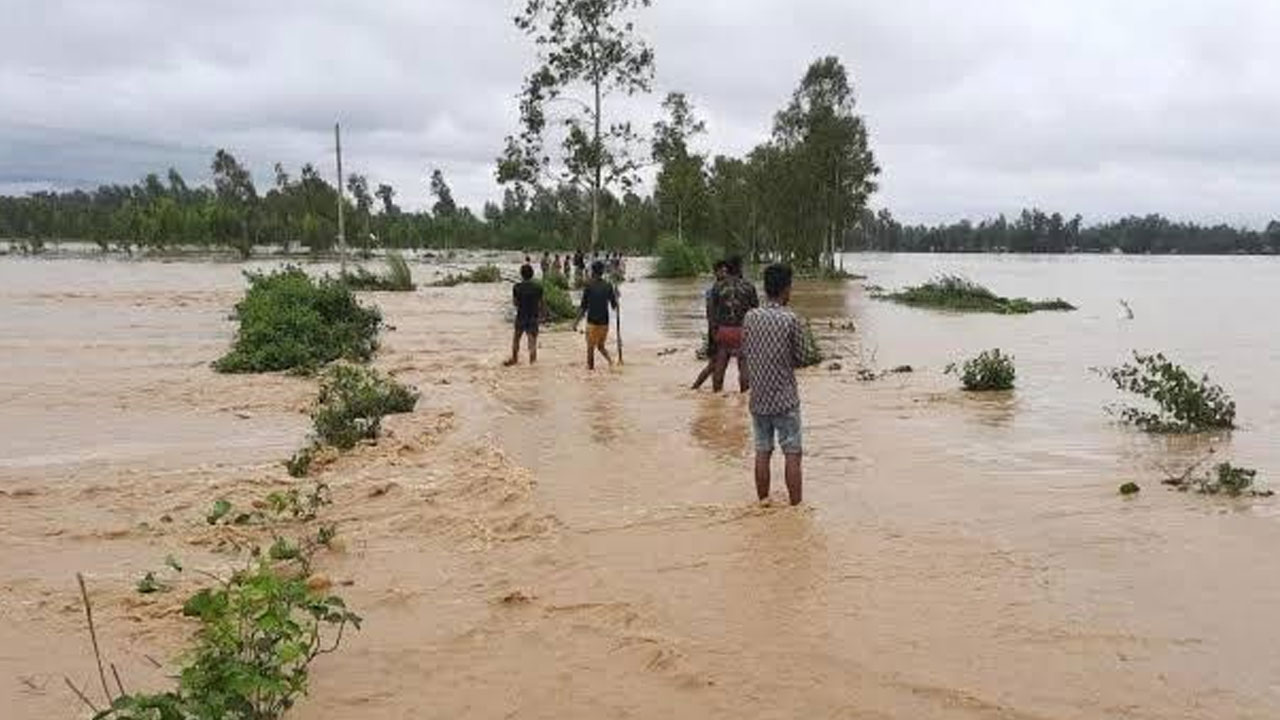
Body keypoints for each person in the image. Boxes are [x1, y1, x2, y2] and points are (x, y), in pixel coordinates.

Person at [741, 263, 804, 505]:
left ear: (766, 288)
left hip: (759, 400)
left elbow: (745, 352)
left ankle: (763, 503)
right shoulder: (790, 319)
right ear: (786, 289)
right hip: (786, 400)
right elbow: (803, 357)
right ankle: (796, 509)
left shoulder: (750, 317)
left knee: (762, 451)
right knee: (792, 453)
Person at [708, 255, 759, 393]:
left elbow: (712, 313)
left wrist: (713, 334)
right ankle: (744, 396)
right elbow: (755, 312)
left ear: (727, 269)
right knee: (743, 366)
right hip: (743, 331)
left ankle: (716, 396)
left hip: (723, 330)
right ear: (740, 268)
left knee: (720, 365)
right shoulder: (749, 286)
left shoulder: (717, 287)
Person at [572, 260, 619, 370]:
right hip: (604, 323)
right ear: (602, 271)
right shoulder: (608, 286)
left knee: (590, 348)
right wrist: (616, 297)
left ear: (592, 271)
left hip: (592, 322)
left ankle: (590, 371)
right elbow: (614, 306)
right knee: (601, 346)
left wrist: (575, 323)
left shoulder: (589, 286)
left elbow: (583, 308)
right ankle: (611, 362)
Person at [691, 260, 729, 390]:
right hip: (715, 330)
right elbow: (710, 313)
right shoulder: (713, 291)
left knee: (716, 364)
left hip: (720, 330)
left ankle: (713, 392)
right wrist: (714, 332)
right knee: (714, 364)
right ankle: (698, 388)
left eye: (726, 271)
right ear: (716, 273)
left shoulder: (724, 289)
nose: (724, 274)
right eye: (722, 271)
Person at [505, 263, 544, 366]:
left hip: (521, 317)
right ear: (532, 274)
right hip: (533, 318)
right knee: (532, 343)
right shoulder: (538, 287)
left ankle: (514, 359)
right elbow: (540, 304)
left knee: (516, 339)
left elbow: (515, 303)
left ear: (521, 274)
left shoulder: (516, 287)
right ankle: (532, 363)